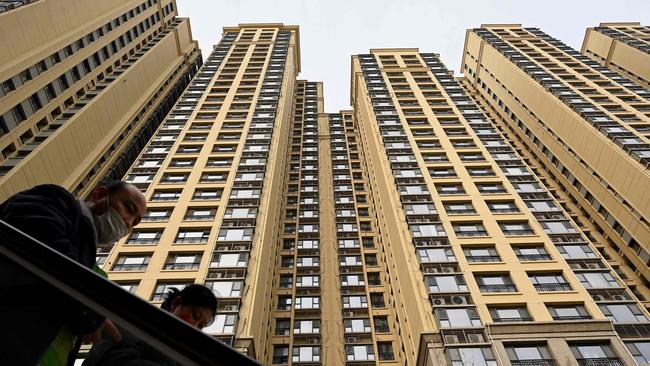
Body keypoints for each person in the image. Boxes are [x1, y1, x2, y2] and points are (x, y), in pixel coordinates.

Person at [0, 181, 146, 365]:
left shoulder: (85, 257)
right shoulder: (55, 200)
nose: (128, 222)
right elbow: (43, 244)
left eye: (135, 222)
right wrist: (91, 312)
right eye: (129, 208)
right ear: (99, 195)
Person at [82, 284, 218, 366]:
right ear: (176, 304)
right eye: (195, 316)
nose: (195, 327)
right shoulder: (141, 324)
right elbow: (114, 362)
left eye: (201, 326)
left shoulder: (175, 349)